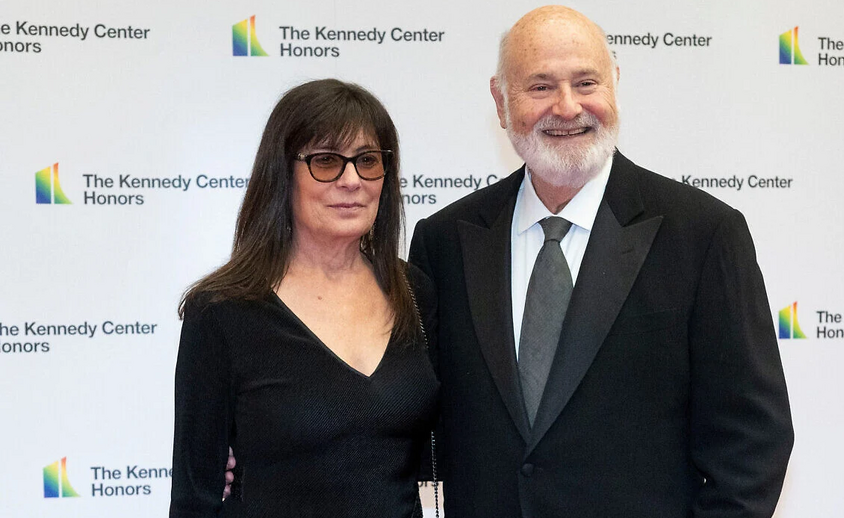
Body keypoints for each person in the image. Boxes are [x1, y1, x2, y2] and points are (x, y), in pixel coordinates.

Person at [407, 5, 794, 518]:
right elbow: (416, 424)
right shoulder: (445, 242)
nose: (567, 107)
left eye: (586, 82)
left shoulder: (702, 234)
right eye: (540, 87)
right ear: (501, 102)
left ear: (614, 85)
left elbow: (753, 441)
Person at [170, 79, 438, 517]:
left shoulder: (415, 292)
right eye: (326, 161)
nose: (351, 180)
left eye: (368, 161)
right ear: (282, 173)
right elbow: (194, 497)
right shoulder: (223, 311)